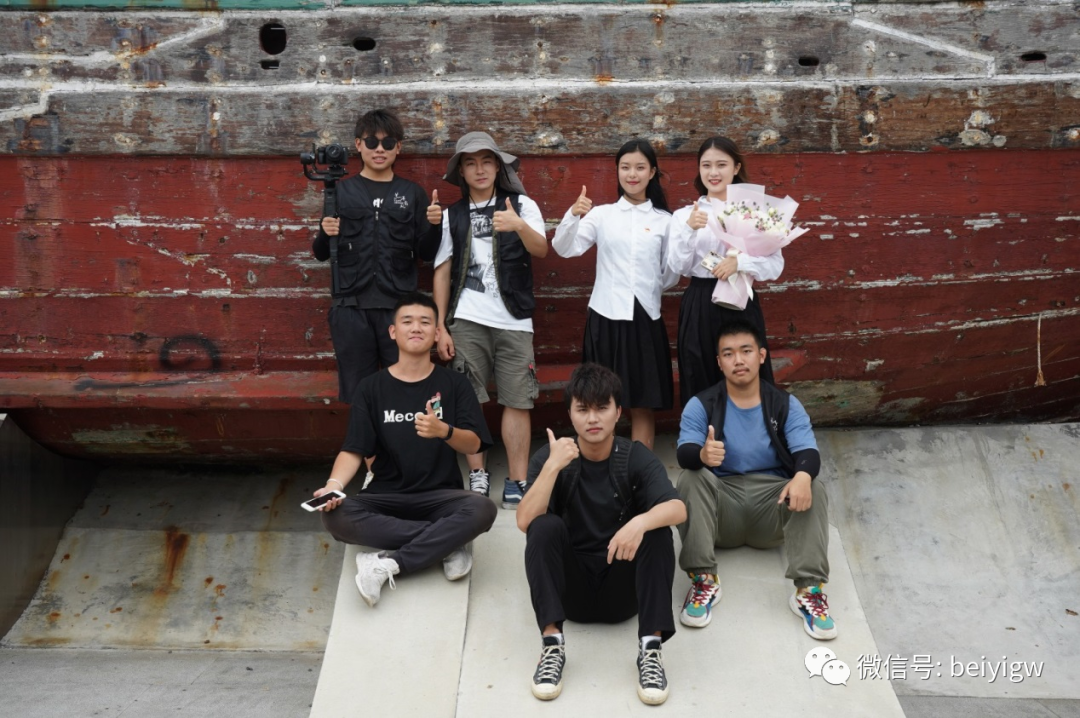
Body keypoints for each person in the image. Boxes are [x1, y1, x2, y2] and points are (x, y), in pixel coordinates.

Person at [311, 292, 497, 607]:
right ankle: (447, 543)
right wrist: (333, 486)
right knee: (335, 517)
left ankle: (388, 563)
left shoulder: (455, 384)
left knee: (483, 509)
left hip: (441, 496)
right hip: (386, 497)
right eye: (407, 321)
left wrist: (444, 431)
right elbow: (354, 449)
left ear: (436, 333)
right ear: (393, 332)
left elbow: (475, 443)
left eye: (425, 322)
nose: (416, 328)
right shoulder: (371, 388)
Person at [518, 363, 686, 705]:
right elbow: (524, 521)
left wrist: (639, 523)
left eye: (602, 408)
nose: (592, 419)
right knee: (543, 525)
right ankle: (552, 646)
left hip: (623, 593)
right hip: (570, 594)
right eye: (582, 410)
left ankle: (650, 651)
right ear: (570, 415)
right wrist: (552, 467)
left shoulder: (634, 456)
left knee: (656, 530)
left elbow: (678, 509)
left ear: (618, 412)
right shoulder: (551, 458)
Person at [674, 319, 835, 639]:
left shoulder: (785, 404)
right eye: (728, 353)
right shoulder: (701, 404)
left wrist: (802, 475)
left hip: (772, 507)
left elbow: (808, 452)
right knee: (690, 478)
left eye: (746, 351)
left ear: (761, 356)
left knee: (811, 483)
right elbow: (684, 453)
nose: (738, 360)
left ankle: (808, 591)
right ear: (719, 362)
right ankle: (703, 580)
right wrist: (702, 455)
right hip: (721, 510)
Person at [432, 132, 548, 508]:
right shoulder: (452, 215)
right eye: (470, 163)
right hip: (466, 318)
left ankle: (518, 479)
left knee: (518, 400)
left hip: (514, 318)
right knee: (468, 398)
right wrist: (440, 326)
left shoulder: (522, 205)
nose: (479, 169)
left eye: (486, 161)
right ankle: (478, 473)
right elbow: (442, 270)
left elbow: (541, 249)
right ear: (461, 172)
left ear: (498, 167)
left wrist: (518, 225)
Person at [551, 139, 679, 450]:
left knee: (643, 401)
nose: (632, 174)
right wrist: (573, 214)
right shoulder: (602, 215)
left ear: (652, 172)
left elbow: (670, 273)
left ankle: (640, 470)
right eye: (625, 167)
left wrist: (645, 290)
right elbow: (564, 248)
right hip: (605, 318)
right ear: (617, 171)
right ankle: (600, 465)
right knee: (597, 399)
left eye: (640, 167)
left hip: (645, 319)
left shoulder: (665, 221)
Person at [312, 108, 442, 404]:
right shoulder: (340, 192)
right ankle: (366, 437)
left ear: (399, 147)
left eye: (387, 142)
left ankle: (404, 436)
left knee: (407, 390)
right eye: (372, 142)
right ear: (358, 145)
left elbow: (427, 253)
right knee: (359, 394)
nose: (379, 149)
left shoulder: (412, 193)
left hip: (399, 310)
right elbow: (320, 253)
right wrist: (325, 233)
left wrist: (435, 226)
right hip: (351, 309)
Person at [667, 136, 782, 406]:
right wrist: (689, 230)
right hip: (700, 300)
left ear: (736, 167)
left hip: (740, 299)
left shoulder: (755, 211)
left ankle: (753, 430)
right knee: (700, 372)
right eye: (706, 165)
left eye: (721, 164)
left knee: (746, 374)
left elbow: (776, 265)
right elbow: (677, 267)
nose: (713, 172)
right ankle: (706, 432)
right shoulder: (684, 215)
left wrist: (739, 264)